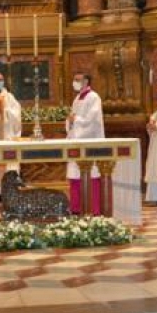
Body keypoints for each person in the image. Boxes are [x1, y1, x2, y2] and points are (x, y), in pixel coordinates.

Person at [66, 73, 104, 214]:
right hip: (76, 141)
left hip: (89, 142)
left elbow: (92, 120)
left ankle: (94, 209)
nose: (74, 82)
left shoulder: (94, 97)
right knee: (75, 174)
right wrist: (70, 121)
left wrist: (75, 119)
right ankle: (76, 207)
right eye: (74, 79)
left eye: (77, 80)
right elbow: (73, 118)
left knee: (91, 173)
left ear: (86, 81)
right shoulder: (77, 98)